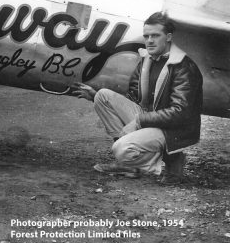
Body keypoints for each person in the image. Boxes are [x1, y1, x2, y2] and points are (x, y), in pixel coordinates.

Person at [73, 12, 203, 184]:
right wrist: (94, 96)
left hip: (175, 129)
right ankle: (128, 166)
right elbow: (134, 97)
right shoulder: (147, 60)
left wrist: (139, 121)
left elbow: (180, 113)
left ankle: (173, 161)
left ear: (169, 37)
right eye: (146, 36)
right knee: (102, 96)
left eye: (156, 35)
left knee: (121, 149)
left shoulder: (183, 67)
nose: (149, 40)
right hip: (153, 118)